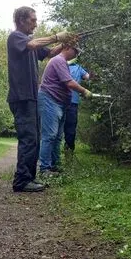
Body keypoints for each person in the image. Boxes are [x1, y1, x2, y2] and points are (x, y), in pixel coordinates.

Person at [7, 6, 70, 192]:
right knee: (28, 139)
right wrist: (58, 36)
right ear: (21, 20)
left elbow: (49, 53)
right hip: (21, 97)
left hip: (32, 97)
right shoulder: (16, 37)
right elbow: (33, 44)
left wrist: (66, 44)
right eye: (33, 20)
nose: (36, 23)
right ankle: (21, 181)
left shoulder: (30, 43)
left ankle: (28, 179)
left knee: (34, 139)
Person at [38, 43, 92, 177]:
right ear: (67, 48)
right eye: (76, 51)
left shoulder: (63, 63)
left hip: (60, 103)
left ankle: (55, 166)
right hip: (50, 101)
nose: (76, 54)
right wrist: (84, 90)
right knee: (49, 136)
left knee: (57, 137)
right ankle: (44, 169)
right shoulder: (58, 60)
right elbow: (69, 82)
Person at [64, 57, 90, 153]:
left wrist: (92, 73)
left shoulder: (78, 68)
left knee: (71, 130)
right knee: (56, 130)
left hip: (73, 103)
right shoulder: (60, 64)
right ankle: (53, 157)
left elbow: (88, 77)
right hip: (59, 101)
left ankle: (69, 152)